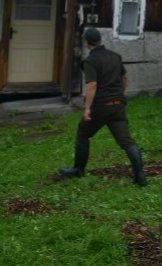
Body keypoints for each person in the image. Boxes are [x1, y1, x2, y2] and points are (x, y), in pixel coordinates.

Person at [60, 27, 146, 186]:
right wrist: (120, 94)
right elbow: (124, 77)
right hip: (118, 106)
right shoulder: (115, 57)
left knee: (83, 134)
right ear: (100, 40)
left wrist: (87, 109)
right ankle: (140, 177)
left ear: (87, 42)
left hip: (101, 106)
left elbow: (92, 84)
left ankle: (78, 170)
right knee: (127, 142)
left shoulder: (90, 61)